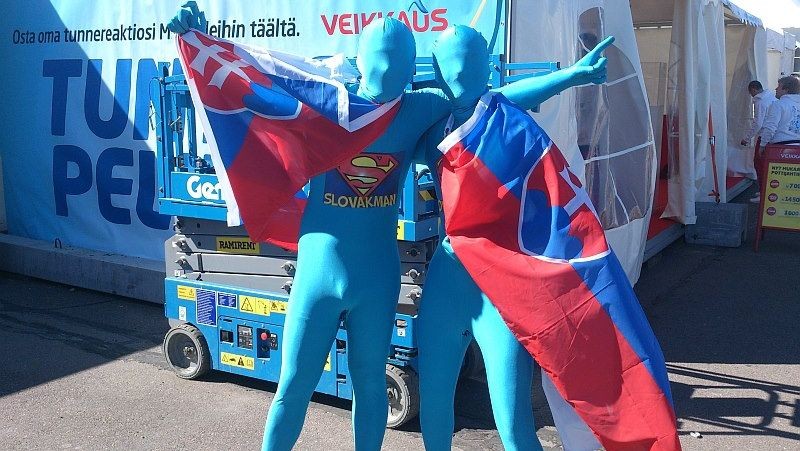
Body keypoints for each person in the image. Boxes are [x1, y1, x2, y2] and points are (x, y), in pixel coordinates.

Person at [168, 4, 609, 451]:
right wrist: (203, 43)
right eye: (379, 60)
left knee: (368, 385)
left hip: (376, 279)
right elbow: (249, 87)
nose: (386, 72)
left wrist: (570, 77)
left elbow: (490, 100)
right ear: (359, 60)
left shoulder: (417, 110)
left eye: (398, 64)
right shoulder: (326, 104)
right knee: (293, 386)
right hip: (324, 275)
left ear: (412, 71)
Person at [415, 26, 610, 451]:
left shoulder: (496, 115)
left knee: (512, 417)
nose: (460, 75)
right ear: (439, 72)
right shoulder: (433, 126)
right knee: (435, 401)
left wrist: (572, 76)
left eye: (469, 64)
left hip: (497, 284)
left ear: (485, 68)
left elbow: (509, 95)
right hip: (452, 278)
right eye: (451, 66)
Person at [740, 81, 777, 203]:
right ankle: (765, 190)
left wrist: (747, 138)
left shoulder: (760, 102)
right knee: (765, 165)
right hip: (773, 136)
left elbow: (758, 123)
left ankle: (763, 193)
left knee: (759, 164)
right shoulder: (771, 97)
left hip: (764, 135)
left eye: (750, 92)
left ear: (753, 89)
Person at [760, 75, 800, 146]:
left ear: (786, 89)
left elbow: (770, 127)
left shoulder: (778, 105)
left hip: (781, 146)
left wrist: (763, 144)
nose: (776, 89)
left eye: (779, 86)